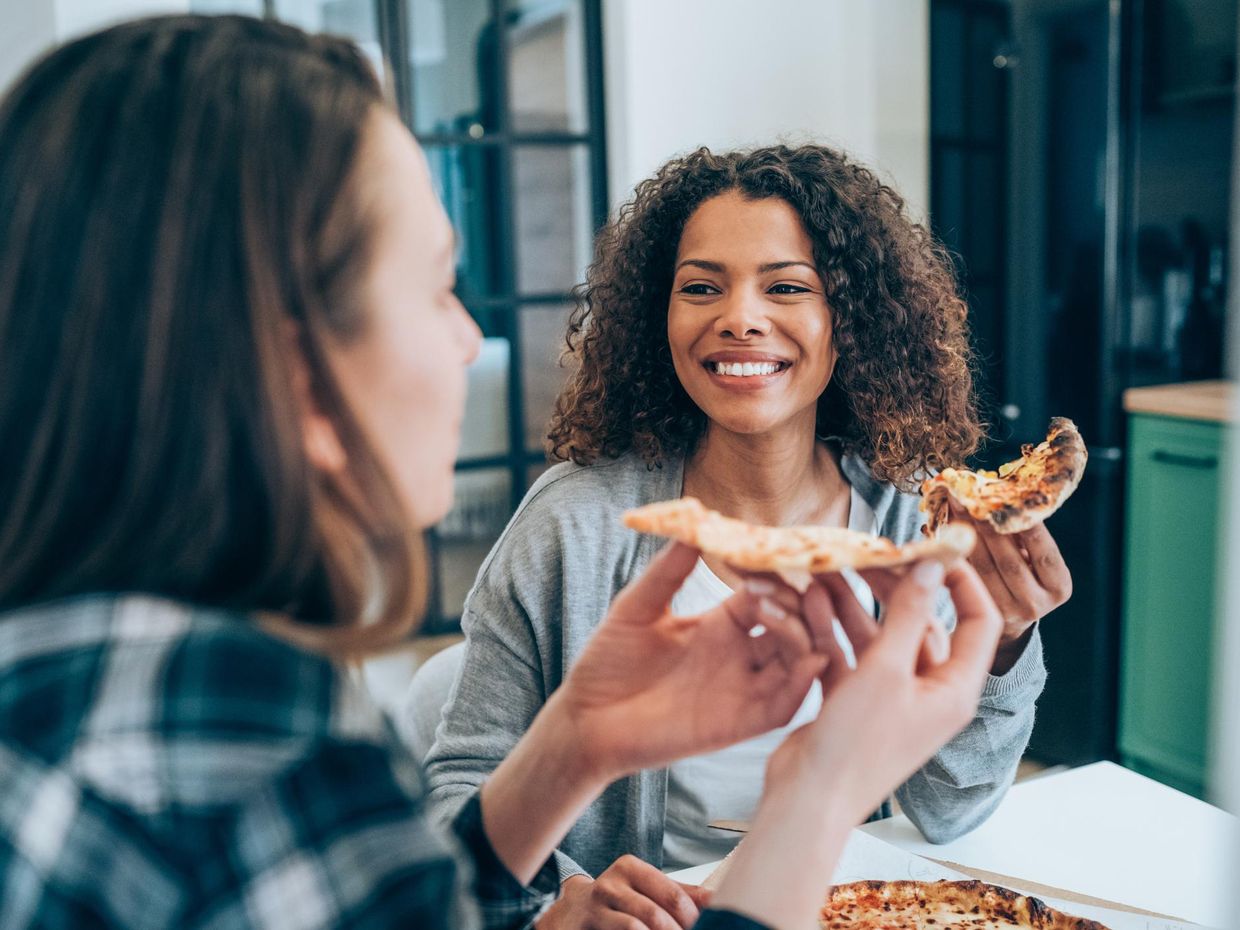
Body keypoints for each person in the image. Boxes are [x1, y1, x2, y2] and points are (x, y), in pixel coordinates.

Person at [0, 14, 1003, 930]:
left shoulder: (86, 684)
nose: (466, 335)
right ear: (288, 363)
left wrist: (572, 744)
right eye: (438, 286)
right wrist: (818, 789)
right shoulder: (245, 747)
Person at [424, 145, 1071, 928]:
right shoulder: (574, 524)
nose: (739, 317)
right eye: (701, 287)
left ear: (850, 320)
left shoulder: (915, 522)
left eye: (787, 287)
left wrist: (1001, 642)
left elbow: (948, 812)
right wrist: (561, 894)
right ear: (656, 317)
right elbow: (458, 797)